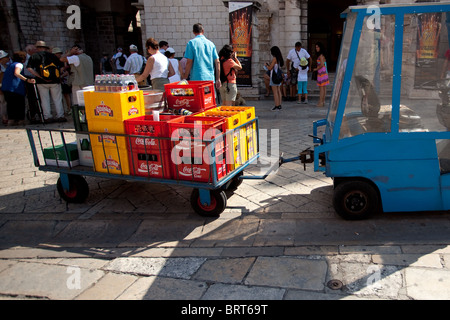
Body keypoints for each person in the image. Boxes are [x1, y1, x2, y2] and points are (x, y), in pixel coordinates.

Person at [27, 41, 66, 123]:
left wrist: (39, 76)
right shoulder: (52, 56)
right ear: (45, 48)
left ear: (38, 48)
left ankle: (47, 117)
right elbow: (62, 66)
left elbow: (29, 68)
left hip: (41, 81)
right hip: (55, 81)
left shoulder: (34, 56)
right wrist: (58, 75)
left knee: (44, 99)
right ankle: (60, 116)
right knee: (57, 99)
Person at [183, 23, 221, 91]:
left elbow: (189, 62)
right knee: (208, 99)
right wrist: (218, 79)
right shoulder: (211, 44)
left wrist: (185, 77)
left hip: (196, 78)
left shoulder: (191, 43)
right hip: (209, 79)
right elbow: (217, 62)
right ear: (203, 31)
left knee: (198, 100)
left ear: (193, 32)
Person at [1, 51, 36, 126]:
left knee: (10, 105)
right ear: (23, 60)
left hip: (6, 88)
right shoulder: (19, 64)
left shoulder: (10, 65)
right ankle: (20, 120)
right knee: (19, 104)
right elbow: (17, 73)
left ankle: (11, 120)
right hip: (15, 88)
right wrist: (27, 80)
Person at [52, 47, 72, 115]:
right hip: (59, 80)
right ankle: (62, 110)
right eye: (58, 53)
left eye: (59, 53)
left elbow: (66, 71)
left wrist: (60, 76)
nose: (59, 55)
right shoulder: (55, 61)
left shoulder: (62, 61)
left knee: (66, 95)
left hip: (64, 80)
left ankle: (69, 108)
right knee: (60, 96)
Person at [266, 46, 284, 111]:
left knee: (275, 92)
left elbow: (270, 68)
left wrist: (266, 65)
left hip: (274, 77)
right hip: (278, 76)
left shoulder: (274, 58)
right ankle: (279, 104)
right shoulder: (279, 58)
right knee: (279, 91)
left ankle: (276, 105)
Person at [313, 42, 329, 107]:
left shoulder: (321, 56)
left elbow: (322, 64)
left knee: (321, 88)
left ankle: (321, 102)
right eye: (316, 47)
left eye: (317, 47)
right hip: (323, 72)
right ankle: (322, 101)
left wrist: (316, 69)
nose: (316, 48)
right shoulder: (322, 55)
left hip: (321, 73)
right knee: (323, 88)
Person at [0, 50, 11, 125]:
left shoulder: (6, 65)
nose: (8, 58)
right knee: (2, 102)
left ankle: (7, 116)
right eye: (6, 57)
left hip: (7, 86)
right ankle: (4, 117)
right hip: (1, 86)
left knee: (6, 102)